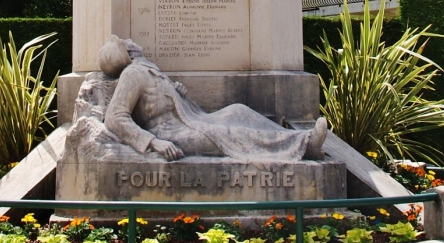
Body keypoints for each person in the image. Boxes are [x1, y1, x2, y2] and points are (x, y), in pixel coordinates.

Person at [99, 35, 328, 163]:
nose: (131, 40)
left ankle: (296, 138)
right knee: (229, 133)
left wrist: (180, 95)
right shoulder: (132, 74)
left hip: (192, 119)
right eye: (126, 41)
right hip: (172, 133)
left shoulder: (149, 70)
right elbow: (115, 117)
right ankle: (304, 146)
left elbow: (161, 104)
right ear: (129, 51)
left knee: (239, 112)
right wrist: (153, 142)